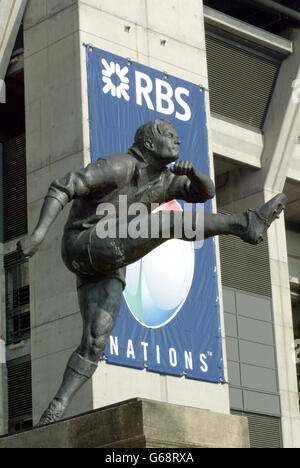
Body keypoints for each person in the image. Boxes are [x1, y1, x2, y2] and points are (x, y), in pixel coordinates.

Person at [17, 118, 286, 426]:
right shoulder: (120, 166)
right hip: (84, 242)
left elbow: (205, 193)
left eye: (177, 136)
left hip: (108, 263)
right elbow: (64, 185)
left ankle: (55, 409)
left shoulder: (167, 180)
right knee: (169, 222)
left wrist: (195, 175)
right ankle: (244, 223)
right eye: (169, 136)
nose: (178, 140)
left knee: (96, 338)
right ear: (148, 144)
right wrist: (38, 233)